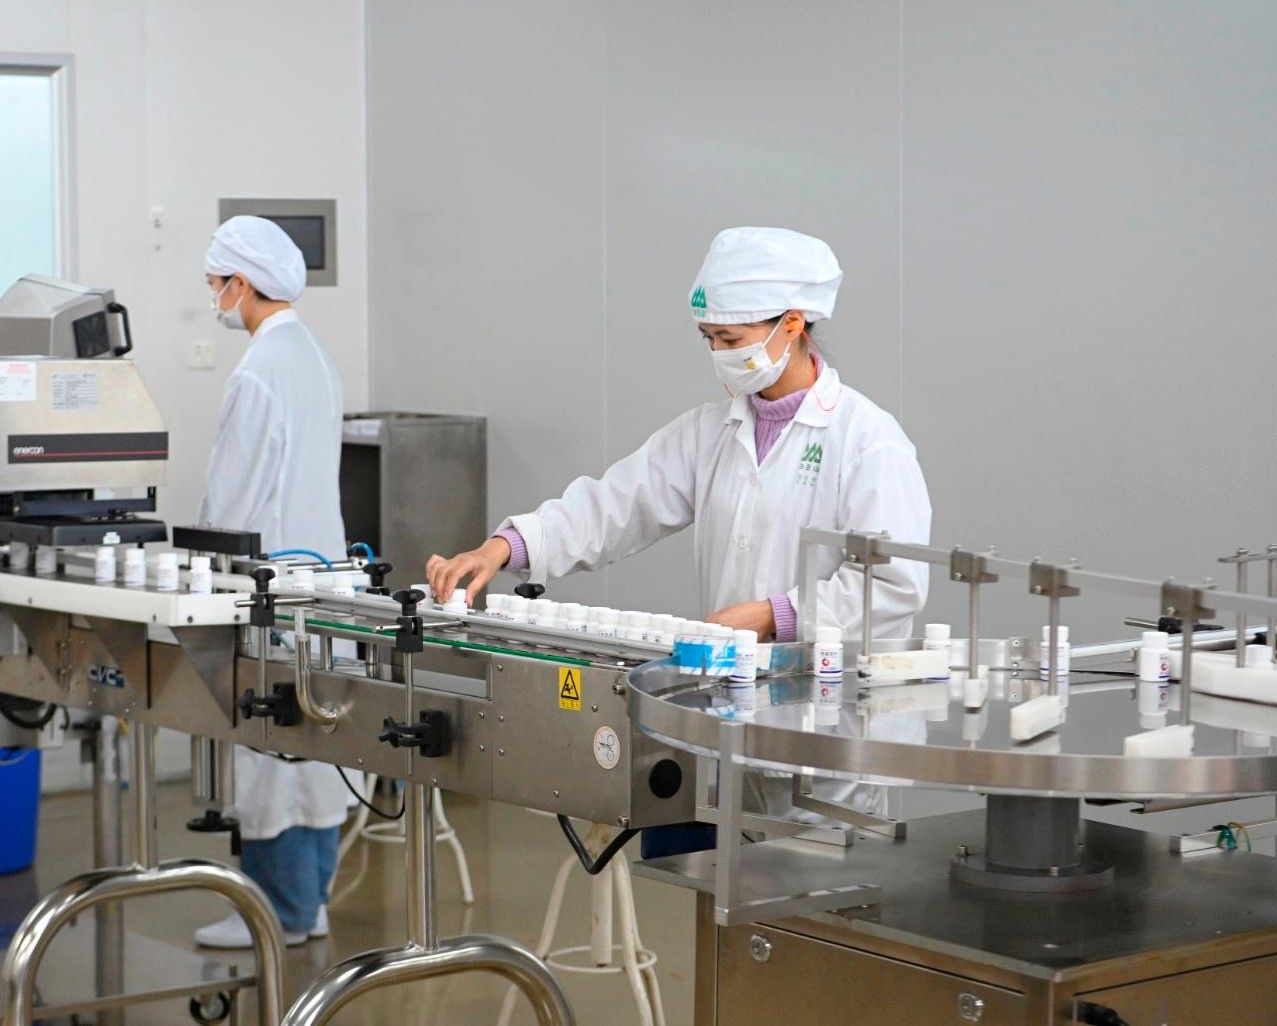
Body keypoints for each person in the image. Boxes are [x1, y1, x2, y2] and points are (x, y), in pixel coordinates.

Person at [426, 227, 931, 820]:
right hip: (734, 718)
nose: (719, 354)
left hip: (830, 737)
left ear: (792, 324)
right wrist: (504, 547)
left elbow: (894, 584)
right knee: (730, 872)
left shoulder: (867, 441)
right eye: (709, 338)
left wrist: (776, 615)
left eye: (731, 339)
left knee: (818, 876)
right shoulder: (709, 432)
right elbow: (612, 507)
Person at [192, 215, 357, 950]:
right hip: (323, 581)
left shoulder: (258, 370)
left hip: (271, 586)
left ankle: (275, 913)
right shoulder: (314, 355)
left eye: (216, 284)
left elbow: (233, 494)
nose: (214, 298)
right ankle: (308, 901)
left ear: (242, 283)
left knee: (269, 749)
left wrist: (199, 566)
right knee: (315, 744)